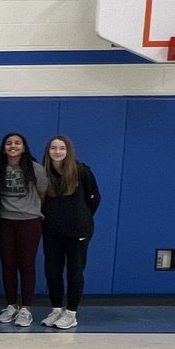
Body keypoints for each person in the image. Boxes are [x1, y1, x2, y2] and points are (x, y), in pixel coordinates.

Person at [41, 135, 101, 330]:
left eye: (62, 148)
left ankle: (71, 312)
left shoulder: (81, 171)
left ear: (68, 151)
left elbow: (94, 199)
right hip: (52, 231)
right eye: (53, 148)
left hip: (78, 231)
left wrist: (80, 217)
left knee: (75, 271)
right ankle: (56, 309)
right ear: (48, 151)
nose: (57, 152)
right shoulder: (45, 174)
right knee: (52, 271)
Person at [0, 132, 48, 327]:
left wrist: (30, 210)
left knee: (27, 265)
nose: (13, 146)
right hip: (4, 221)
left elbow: (43, 193)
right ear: (4, 148)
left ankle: (26, 308)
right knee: (8, 264)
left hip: (29, 222)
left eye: (17, 143)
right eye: (8, 143)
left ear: (24, 147)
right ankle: (11, 305)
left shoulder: (36, 169)